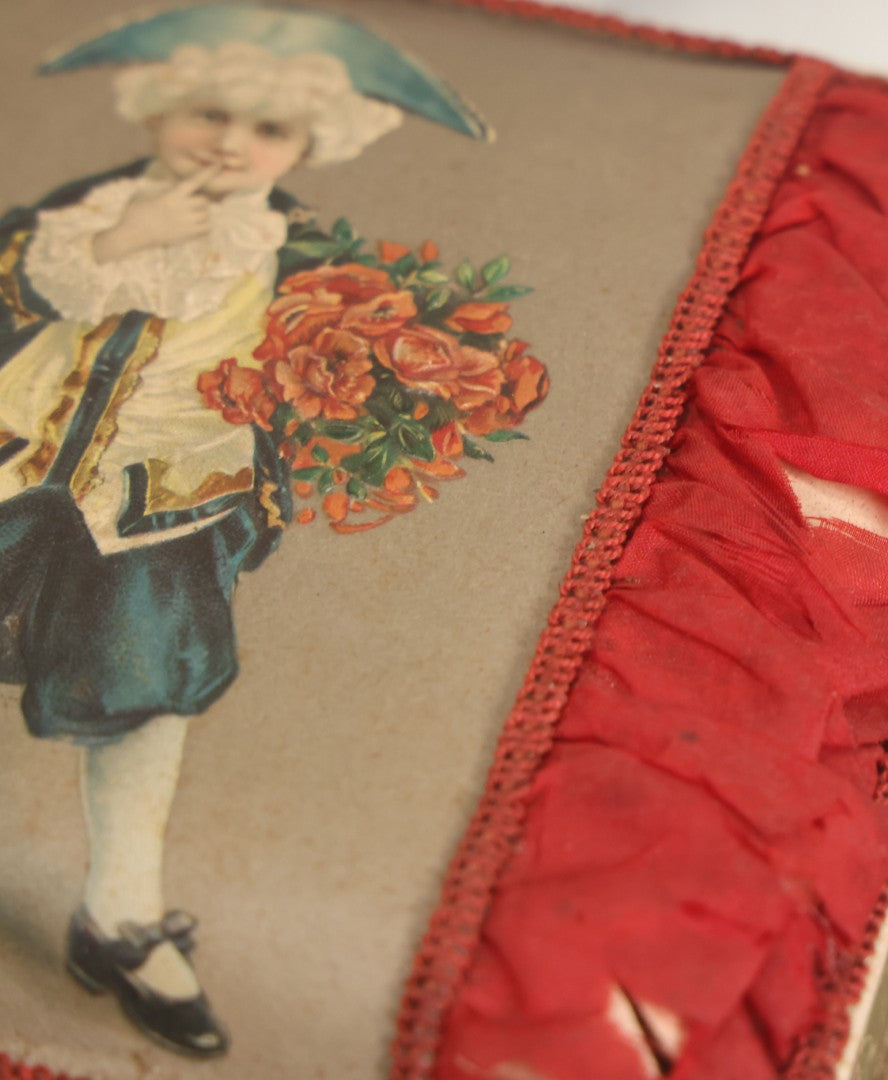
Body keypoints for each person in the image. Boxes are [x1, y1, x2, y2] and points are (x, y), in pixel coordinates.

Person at [0, 41, 402, 1056]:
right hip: (14, 455)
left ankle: (119, 917)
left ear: (308, 142)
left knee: (144, 690)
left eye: (266, 128)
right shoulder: (89, 206)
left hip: (161, 504)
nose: (229, 144)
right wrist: (121, 236)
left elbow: (328, 378)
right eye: (208, 115)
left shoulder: (303, 249)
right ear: (159, 111)